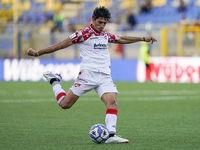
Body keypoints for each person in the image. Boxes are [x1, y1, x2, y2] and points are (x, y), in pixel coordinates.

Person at [27, 6, 157, 143]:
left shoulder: (105, 35)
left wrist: (143, 38)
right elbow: (60, 45)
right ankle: (54, 81)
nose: (102, 25)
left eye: (104, 23)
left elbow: (121, 39)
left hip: (105, 76)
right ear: (93, 19)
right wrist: (37, 53)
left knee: (112, 102)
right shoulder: (82, 34)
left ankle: (111, 135)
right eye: (100, 22)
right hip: (87, 75)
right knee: (65, 104)